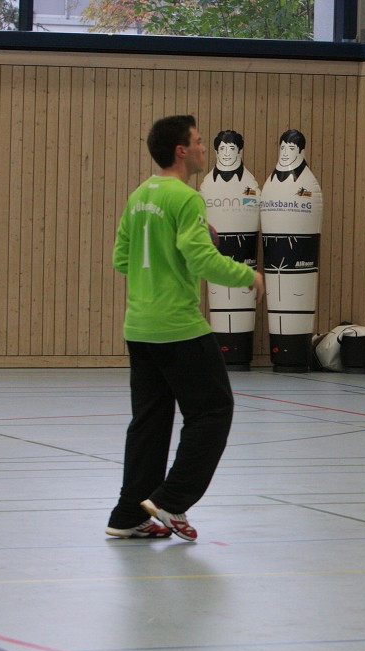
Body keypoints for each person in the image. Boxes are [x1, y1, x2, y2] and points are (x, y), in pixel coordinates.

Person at [106, 115, 264, 541]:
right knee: (213, 411)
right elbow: (202, 262)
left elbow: (123, 259)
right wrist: (248, 275)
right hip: (178, 326)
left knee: (150, 422)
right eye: (197, 142)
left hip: (139, 326)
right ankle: (173, 500)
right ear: (180, 150)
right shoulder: (187, 198)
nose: (202, 149)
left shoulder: (139, 196)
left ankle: (127, 515)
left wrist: (164, 250)